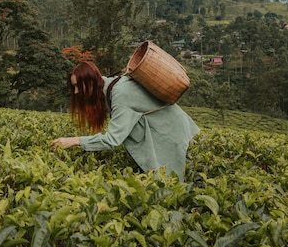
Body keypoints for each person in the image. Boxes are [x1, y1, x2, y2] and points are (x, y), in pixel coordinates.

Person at [50, 61, 200, 181]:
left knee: (171, 184)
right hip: (169, 129)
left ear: (90, 83)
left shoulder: (120, 94)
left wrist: (74, 141)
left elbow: (112, 140)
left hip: (172, 132)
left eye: (77, 86)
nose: (76, 92)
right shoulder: (111, 87)